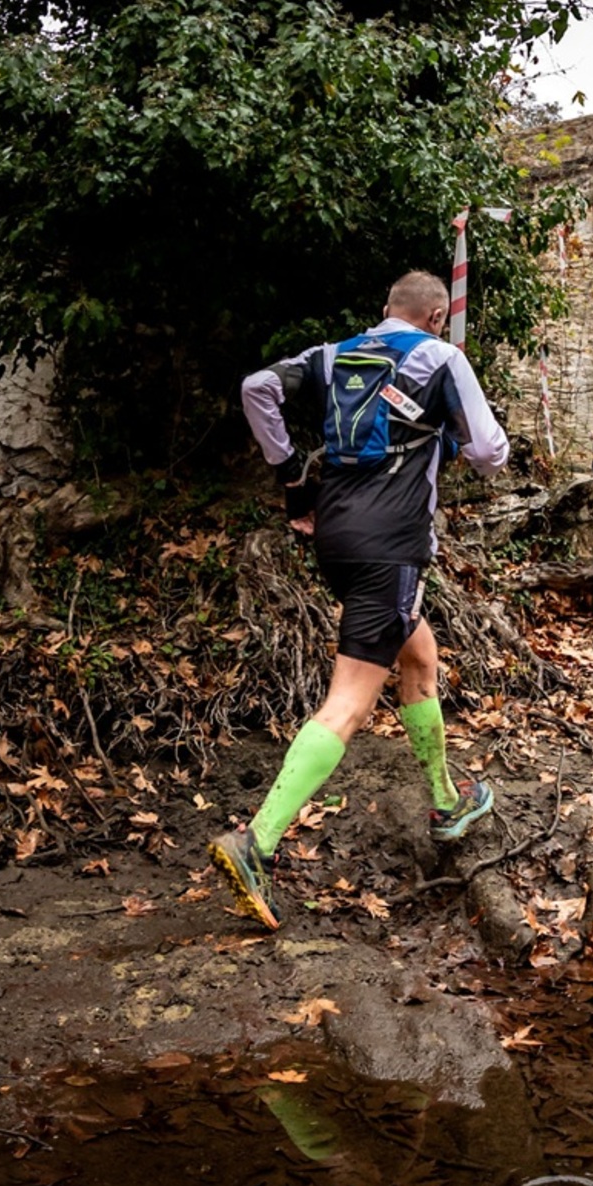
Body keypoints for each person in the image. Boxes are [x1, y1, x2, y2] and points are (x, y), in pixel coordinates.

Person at [208, 270, 510, 930]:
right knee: (349, 700)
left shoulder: (331, 356)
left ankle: (445, 801)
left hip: (335, 539)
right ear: (437, 315)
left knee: (419, 656)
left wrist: (292, 478)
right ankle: (255, 841)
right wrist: (458, 434)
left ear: (383, 312)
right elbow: (489, 451)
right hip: (391, 548)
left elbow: (257, 388)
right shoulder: (442, 357)